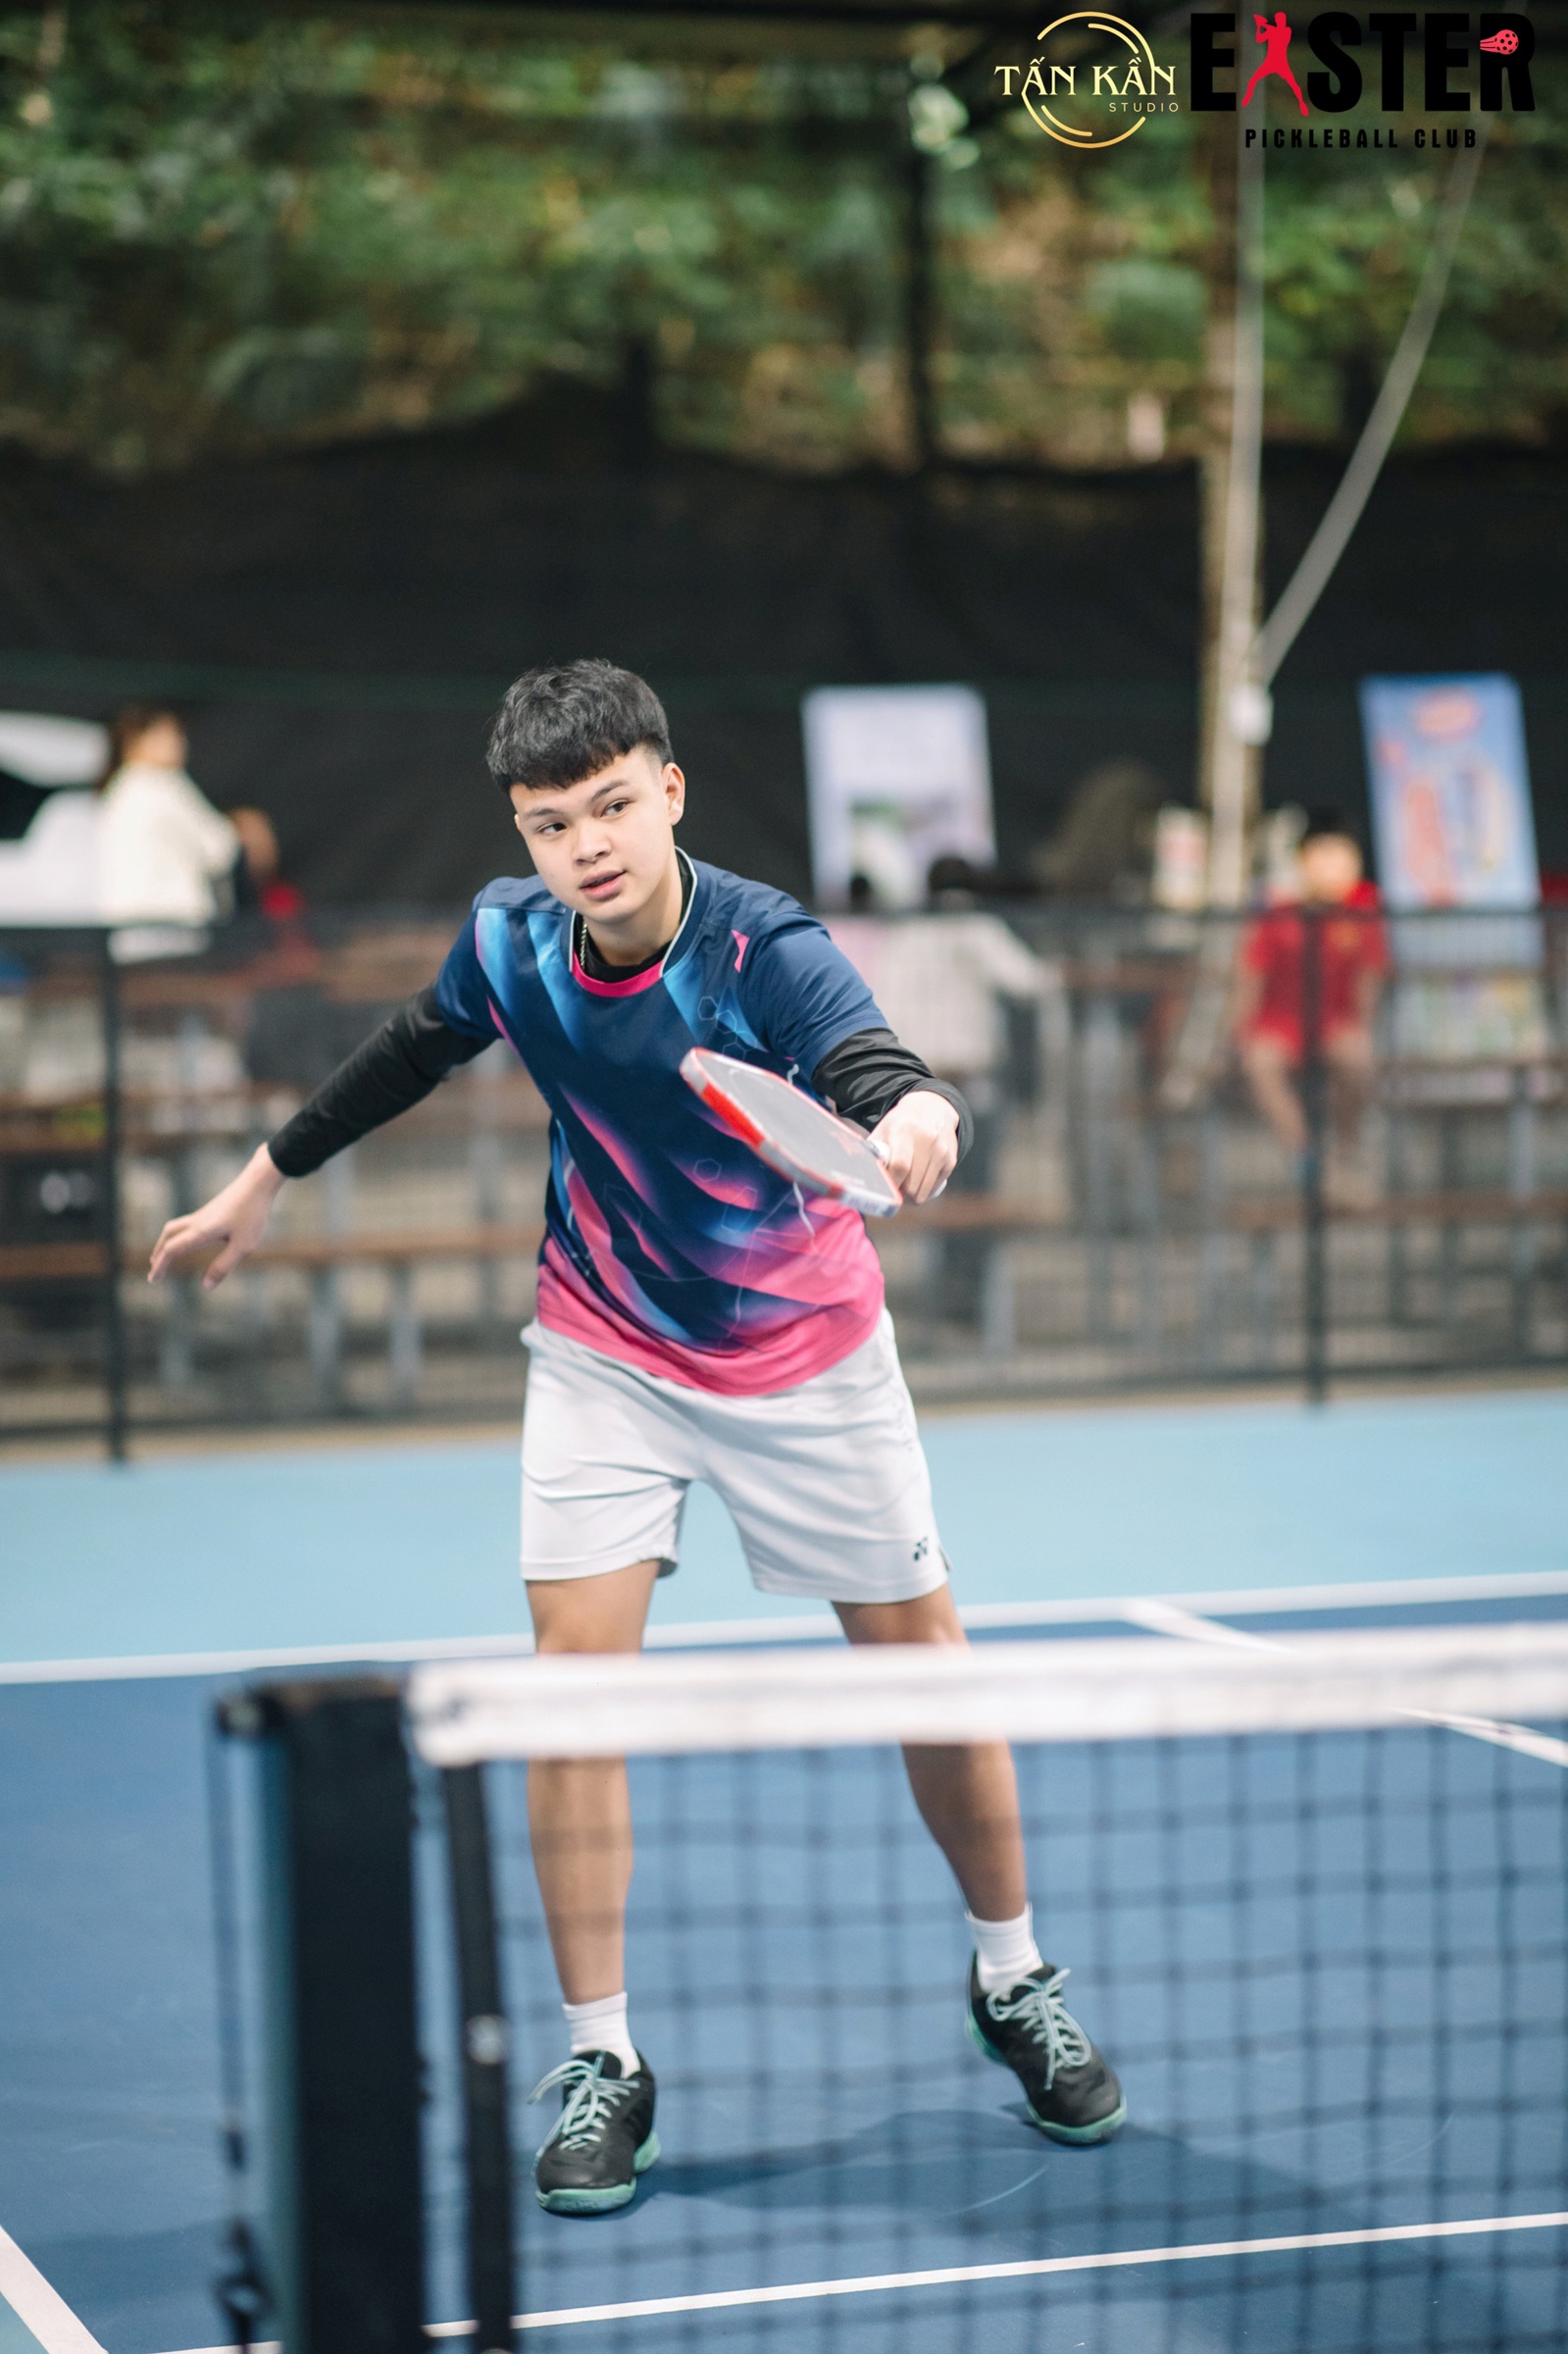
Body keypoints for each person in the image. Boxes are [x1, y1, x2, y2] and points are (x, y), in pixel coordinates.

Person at [148, 659, 1125, 2214]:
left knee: (928, 1675)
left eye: (610, 807)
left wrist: (917, 1114)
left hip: (804, 1357)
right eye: (552, 824)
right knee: (571, 1696)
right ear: (522, 835)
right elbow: (410, 1045)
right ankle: (601, 2056)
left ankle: (1010, 1975)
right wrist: (263, 1179)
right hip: (604, 1348)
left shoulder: (760, 944)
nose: (586, 846)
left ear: (668, 791)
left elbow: (869, 1061)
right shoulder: (511, 943)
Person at [1236, 806, 1388, 1195]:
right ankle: (1308, 1157)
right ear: (1303, 860)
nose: (1339, 866)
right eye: (1327, 854)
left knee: (1358, 1059)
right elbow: (1251, 976)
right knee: (1260, 1061)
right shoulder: (1277, 909)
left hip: (1335, 1021)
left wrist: (1363, 1027)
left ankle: (1347, 1154)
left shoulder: (1363, 909)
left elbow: (1369, 978)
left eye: (1346, 855)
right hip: (1280, 1021)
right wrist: (1239, 1030)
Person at [97, 705, 240, 961]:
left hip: (131, 938)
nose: (180, 743)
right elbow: (220, 847)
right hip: (172, 934)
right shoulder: (160, 784)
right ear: (137, 740)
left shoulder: (120, 788)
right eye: (168, 734)